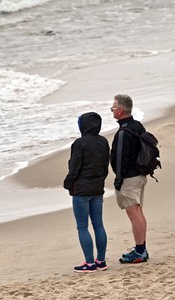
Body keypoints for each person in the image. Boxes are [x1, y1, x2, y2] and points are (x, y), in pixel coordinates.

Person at [64, 112, 110, 273]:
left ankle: (90, 263)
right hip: (98, 187)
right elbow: (105, 167)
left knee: (82, 227)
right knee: (98, 224)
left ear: (83, 125)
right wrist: (99, 181)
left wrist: (68, 184)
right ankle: (101, 261)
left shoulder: (79, 143)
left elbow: (74, 168)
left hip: (81, 190)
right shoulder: (103, 141)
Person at [110, 94, 149, 263]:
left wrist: (118, 180)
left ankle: (140, 251)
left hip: (130, 178)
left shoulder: (123, 132)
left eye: (113, 108)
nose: (112, 110)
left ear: (119, 111)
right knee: (138, 212)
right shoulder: (137, 126)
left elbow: (119, 160)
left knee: (134, 214)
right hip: (140, 174)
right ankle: (141, 248)